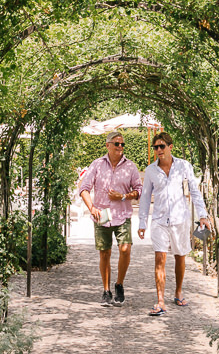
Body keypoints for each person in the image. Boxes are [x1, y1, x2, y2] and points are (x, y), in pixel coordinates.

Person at [138, 131, 213, 316]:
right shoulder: (150, 171)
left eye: (162, 146)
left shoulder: (184, 166)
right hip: (159, 220)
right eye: (155, 147)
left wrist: (202, 215)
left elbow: (194, 191)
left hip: (180, 218)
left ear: (170, 147)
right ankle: (160, 301)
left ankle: (178, 292)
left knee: (180, 256)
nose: (158, 150)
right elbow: (146, 197)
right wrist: (142, 222)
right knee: (159, 258)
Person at [78, 130, 142, 307]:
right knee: (105, 253)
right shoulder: (97, 165)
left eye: (122, 144)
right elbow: (84, 188)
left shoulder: (130, 166)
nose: (120, 147)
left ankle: (119, 284)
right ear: (107, 145)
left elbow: (139, 190)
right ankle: (106, 290)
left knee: (125, 249)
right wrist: (91, 208)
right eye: (117, 144)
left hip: (122, 214)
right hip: (102, 214)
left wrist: (123, 196)